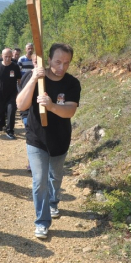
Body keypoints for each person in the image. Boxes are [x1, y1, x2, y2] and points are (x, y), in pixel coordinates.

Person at [17, 43, 81, 239]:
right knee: (39, 182)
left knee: (55, 177)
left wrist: (51, 106)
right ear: (49, 59)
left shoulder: (71, 83)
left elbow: (69, 110)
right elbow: (21, 104)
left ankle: (53, 202)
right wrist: (34, 79)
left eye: (66, 63)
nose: (62, 67)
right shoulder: (36, 77)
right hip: (36, 139)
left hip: (60, 139)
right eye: (58, 62)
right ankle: (42, 222)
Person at [0, 48, 22, 139]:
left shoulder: (15, 67)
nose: (7, 58)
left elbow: (19, 81)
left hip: (12, 94)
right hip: (0, 94)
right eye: (5, 56)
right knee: (0, 111)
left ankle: (10, 131)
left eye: (9, 56)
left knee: (11, 111)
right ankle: (1, 125)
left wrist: (20, 92)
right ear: (2, 56)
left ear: (12, 56)